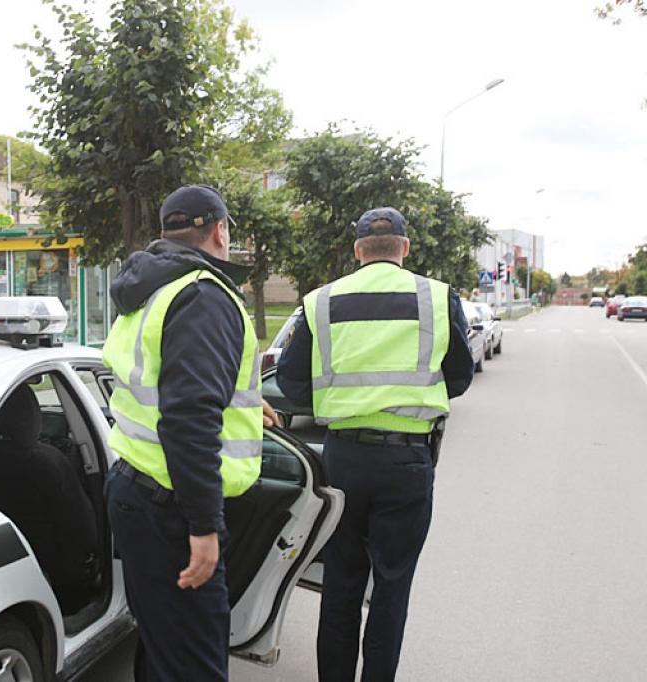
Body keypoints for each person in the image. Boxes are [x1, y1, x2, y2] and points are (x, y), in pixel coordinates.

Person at [276, 207, 474, 682]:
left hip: (343, 459)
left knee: (340, 584)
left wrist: (340, 401)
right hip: (407, 460)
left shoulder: (321, 301)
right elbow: (460, 377)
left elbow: (289, 381)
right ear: (404, 247)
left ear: (357, 250)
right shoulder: (437, 297)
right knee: (392, 587)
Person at [102, 185, 278, 682]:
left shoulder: (151, 288)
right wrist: (204, 527)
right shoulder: (203, 295)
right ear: (219, 230)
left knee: (162, 647)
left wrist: (242, 399)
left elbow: (169, 383)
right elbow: (189, 417)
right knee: (195, 663)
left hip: (136, 489)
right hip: (173, 511)